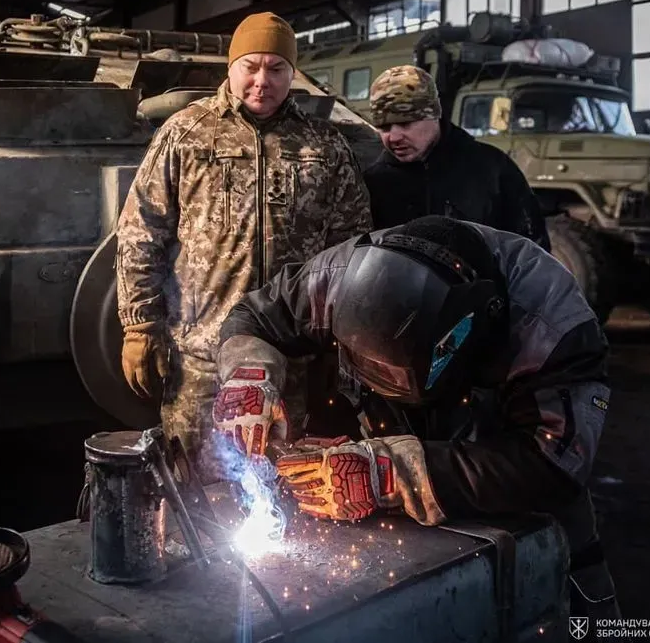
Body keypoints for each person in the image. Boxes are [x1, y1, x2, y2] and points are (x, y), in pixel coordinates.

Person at [211, 215, 618, 617]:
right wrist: (249, 376)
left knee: (563, 610)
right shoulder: (335, 280)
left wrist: (391, 472)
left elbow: (553, 468)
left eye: (395, 376)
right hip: (398, 507)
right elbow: (257, 316)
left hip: (524, 507)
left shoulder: (554, 328)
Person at [115, 11, 373, 478]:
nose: (262, 80)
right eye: (250, 65)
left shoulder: (324, 146)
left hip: (287, 358)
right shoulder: (185, 134)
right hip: (199, 357)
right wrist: (139, 326)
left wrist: (342, 342)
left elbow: (350, 250)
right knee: (191, 488)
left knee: (275, 491)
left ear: (292, 74)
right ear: (230, 67)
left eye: (276, 69)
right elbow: (140, 232)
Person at [363, 65, 550, 250]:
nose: (393, 137)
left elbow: (532, 252)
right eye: (384, 127)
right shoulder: (373, 183)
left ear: (434, 115)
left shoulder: (491, 170)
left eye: (405, 123)